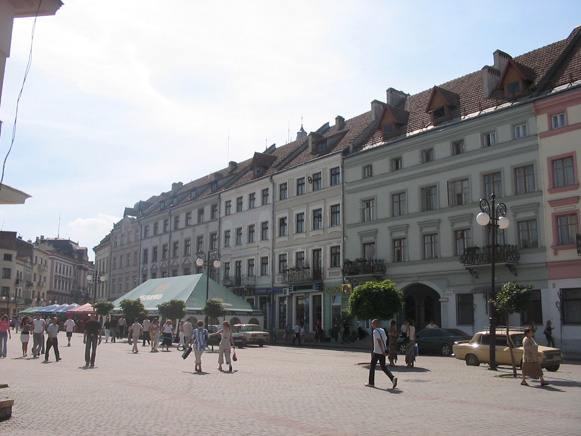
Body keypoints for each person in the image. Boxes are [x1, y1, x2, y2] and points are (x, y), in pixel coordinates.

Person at [365, 319, 397, 389]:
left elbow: (378, 340)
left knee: (372, 366)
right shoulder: (382, 330)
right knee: (383, 367)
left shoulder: (375, 331)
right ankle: (392, 378)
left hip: (377, 351)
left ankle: (371, 382)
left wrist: (381, 350)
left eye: (373, 324)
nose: (372, 325)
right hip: (383, 351)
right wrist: (384, 350)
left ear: (376, 324)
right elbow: (385, 339)